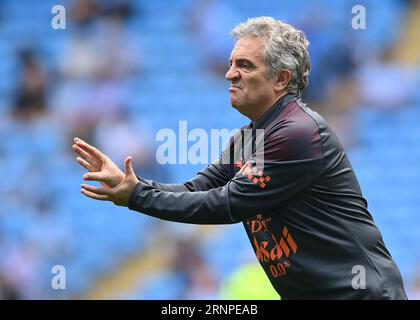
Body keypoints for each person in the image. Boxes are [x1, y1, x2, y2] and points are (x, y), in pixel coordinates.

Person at [72, 17, 407, 299]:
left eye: (244, 65)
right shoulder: (247, 139)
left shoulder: (298, 133)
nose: (230, 74)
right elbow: (196, 188)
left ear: (281, 79)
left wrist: (136, 197)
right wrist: (134, 185)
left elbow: (227, 204)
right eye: (231, 64)